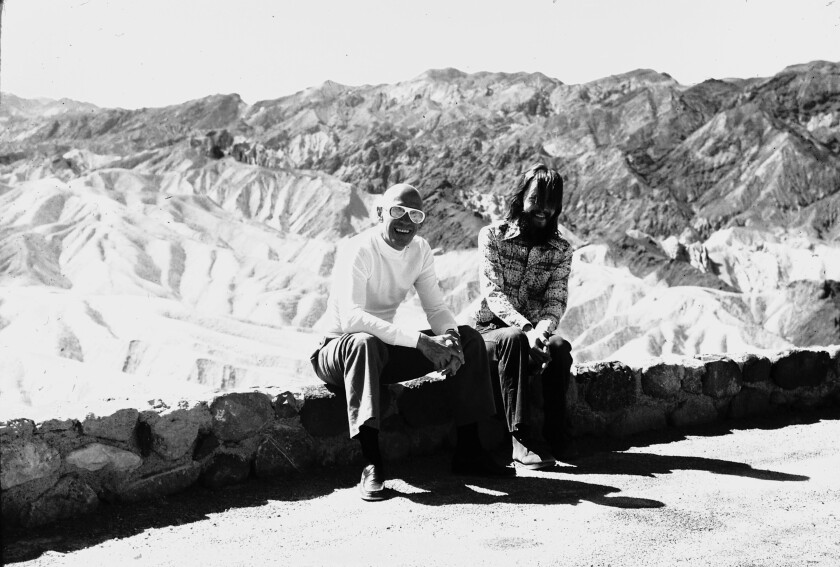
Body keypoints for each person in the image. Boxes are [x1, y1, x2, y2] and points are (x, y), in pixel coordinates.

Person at [311, 182, 513, 502]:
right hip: (337, 351)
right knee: (364, 342)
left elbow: (435, 308)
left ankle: (471, 450)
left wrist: (450, 339)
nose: (405, 220)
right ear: (380, 213)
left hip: (381, 351)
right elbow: (352, 320)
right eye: (397, 211)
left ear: (421, 220)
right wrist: (421, 343)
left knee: (470, 338)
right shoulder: (360, 250)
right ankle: (371, 464)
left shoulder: (419, 250)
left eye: (414, 214)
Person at [474, 164, 574, 470]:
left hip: (534, 335)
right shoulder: (493, 236)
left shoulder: (561, 250)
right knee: (514, 339)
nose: (543, 209)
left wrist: (541, 333)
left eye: (551, 202)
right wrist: (527, 328)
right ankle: (520, 439)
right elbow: (494, 294)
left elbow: (555, 300)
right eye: (536, 199)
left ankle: (557, 436)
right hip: (492, 332)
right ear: (521, 197)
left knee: (559, 348)